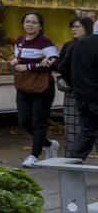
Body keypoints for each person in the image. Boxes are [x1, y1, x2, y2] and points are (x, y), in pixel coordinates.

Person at [14, 11, 61, 161]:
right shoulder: (20, 40)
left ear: (40, 26)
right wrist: (14, 61)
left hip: (42, 87)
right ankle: (48, 144)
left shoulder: (45, 42)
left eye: (34, 22)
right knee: (24, 120)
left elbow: (55, 62)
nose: (30, 24)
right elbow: (19, 60)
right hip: (24, 86)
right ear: (23, 24)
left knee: (38, 121)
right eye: (27, 21)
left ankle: (34, 155)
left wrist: (30, 67)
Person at [60, 22, 98, 161]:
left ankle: (71, 165)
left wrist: (75, 85)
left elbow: (63, 67)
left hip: (82, 96)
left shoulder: (77, 44)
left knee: (87, 132)